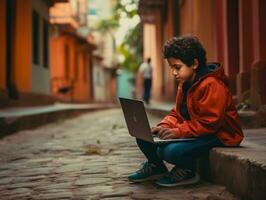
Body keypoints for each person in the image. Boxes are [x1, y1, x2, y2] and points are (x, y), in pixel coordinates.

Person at [128, 36, 244, 187]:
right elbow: (177, 113)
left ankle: (188, 170)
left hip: (219, 134)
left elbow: (210, 123)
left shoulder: (212, 85)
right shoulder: (185, 84)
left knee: (170, 152)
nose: (173, 73)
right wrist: (163, 126)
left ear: (194, 64)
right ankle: (156, 166)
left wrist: (178, 132)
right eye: (171, 67)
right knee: (143, 138)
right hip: (196, 132)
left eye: (177, 67)